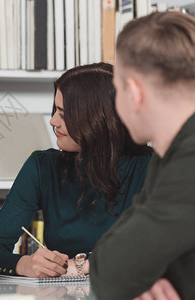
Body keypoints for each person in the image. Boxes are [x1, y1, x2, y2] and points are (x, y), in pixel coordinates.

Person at [0, 63, 152, 278]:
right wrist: (25, 264)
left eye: (64, 114)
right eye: (55, 110)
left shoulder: (151, 169)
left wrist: (83, 266)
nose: (53, 121)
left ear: (100, 119)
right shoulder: (42, 166)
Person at [90, 11, 195, 300]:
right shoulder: (170, 153)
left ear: (134, 93)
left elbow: (111, 270)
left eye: (116, 90)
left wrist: (135, 277)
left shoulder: (189, 158)